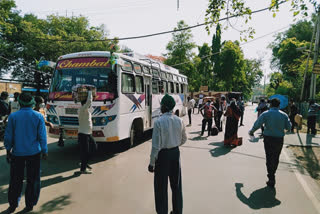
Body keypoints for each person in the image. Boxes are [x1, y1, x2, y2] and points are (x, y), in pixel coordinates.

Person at [4, 92, 48, 213]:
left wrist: (8, 150)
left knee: (15, 180)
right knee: (33, 179)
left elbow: (8, 137)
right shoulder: (38, 116)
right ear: (32, 103)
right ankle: (30, 204)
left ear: (19, 103)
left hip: (17, 153)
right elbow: (42, 136)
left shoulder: (13, 117)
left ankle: (12, 205)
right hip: (34, 153)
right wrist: (44, 150)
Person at [148, 94, 187, 214]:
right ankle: (177, 211)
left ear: (164, 107)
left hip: (163, 156)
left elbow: (156, 146)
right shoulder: (179, 120)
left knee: (161, 187)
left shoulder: (159, 122)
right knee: (176, 185)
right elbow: (184, 139)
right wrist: (174, 145)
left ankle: (162, 211)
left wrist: (151, 163)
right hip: (175, 154)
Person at [249, 98, 291, 188]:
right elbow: (289, 127)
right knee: (276, 157)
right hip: (279, 139)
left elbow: (257, 124)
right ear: (279, 105)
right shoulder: (284, 115)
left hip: (268, 139)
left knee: (269, 157)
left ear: (270, 105)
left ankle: (271, 176)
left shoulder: (266, 114)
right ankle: (273, 174)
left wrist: (251, 132)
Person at [78, 88, 97, 174]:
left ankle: (85, 163)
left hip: (88, 133)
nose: (90, 105)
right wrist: (90, 92)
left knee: (94, 147)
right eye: (88, 104)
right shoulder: (82, 110)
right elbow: (89, 101)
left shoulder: (85, 110)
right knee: (85, 151)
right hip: (83, 134)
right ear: (85, 104)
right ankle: (83, 169)